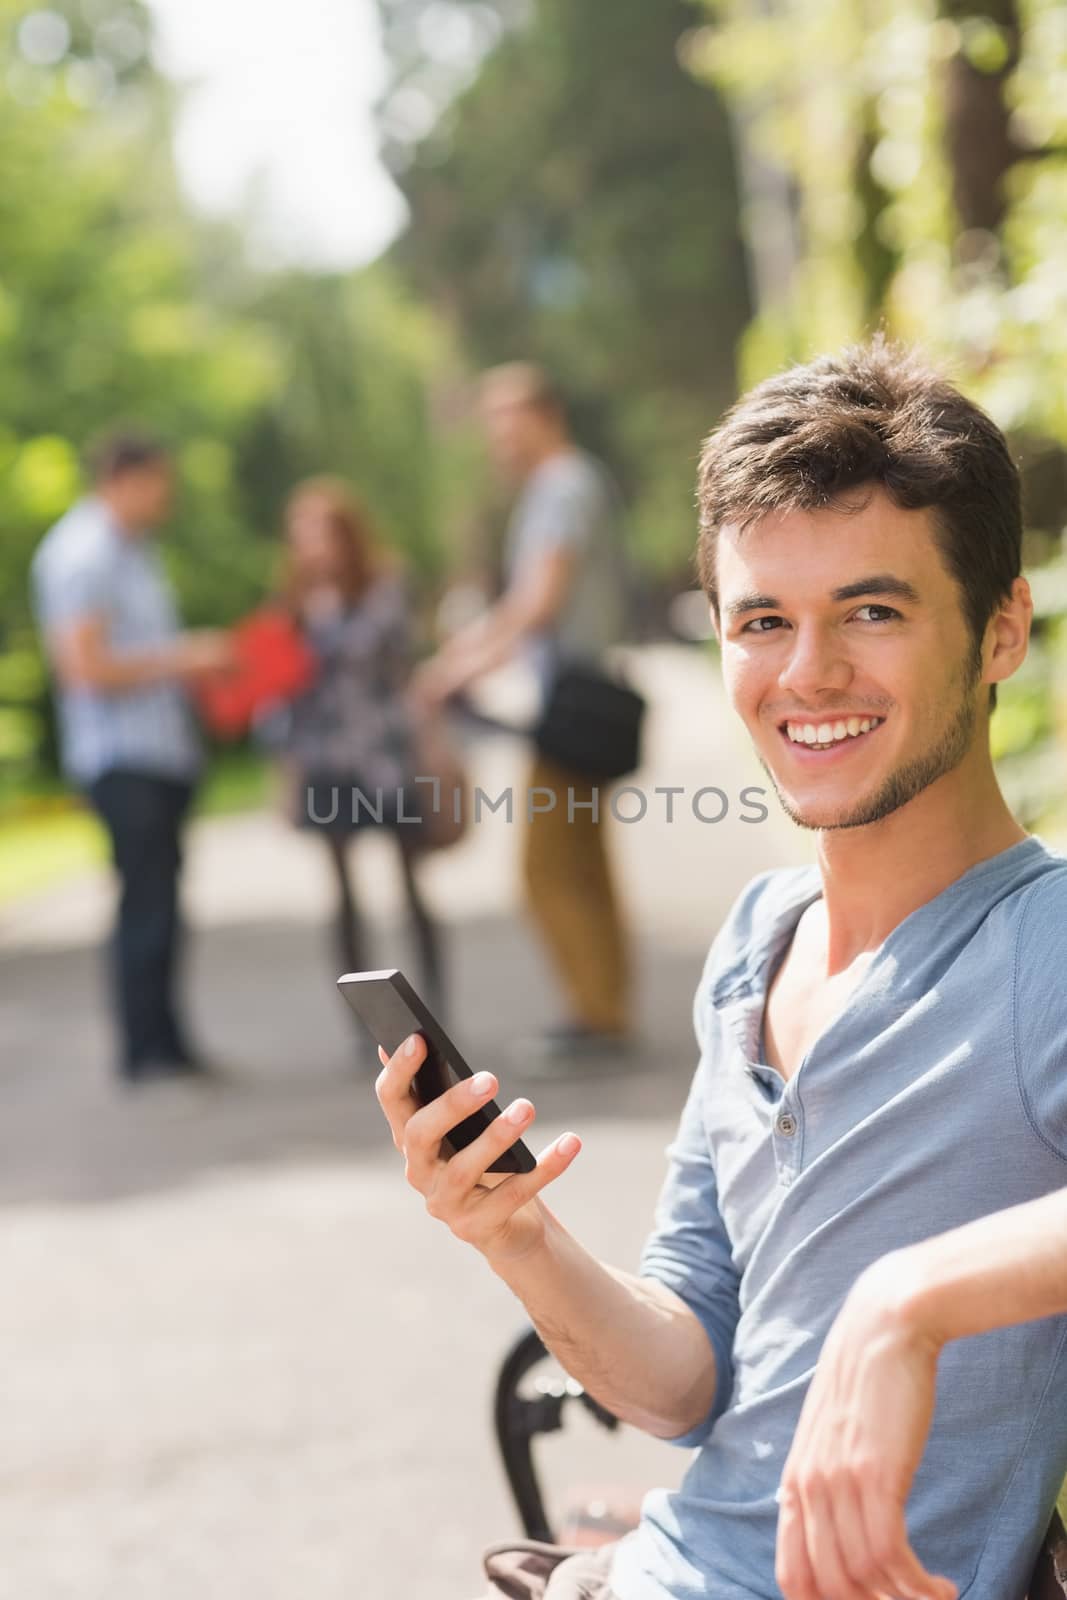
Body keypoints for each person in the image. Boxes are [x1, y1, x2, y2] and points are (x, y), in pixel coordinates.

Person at [375, 338, 1067, 1600]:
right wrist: (515, 1234)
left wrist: (908, 1299)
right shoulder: (755, 941)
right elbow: (683, 1383)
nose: (807, 674)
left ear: (1001, 628)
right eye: (761, 621)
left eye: (871, 609)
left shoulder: (1043, 946)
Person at [414, 363, 633, 1065]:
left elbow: (537, 601)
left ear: (546, 415)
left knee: (547, 869)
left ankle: (595, 1017)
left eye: (509, 422)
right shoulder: (565, 484)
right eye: (491, 425)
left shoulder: (561, 485)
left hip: (573, 699)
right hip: (575, 693)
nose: (498, 439)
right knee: (581, 862)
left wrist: (455, 666)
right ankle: (604, 1009)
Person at [30, 431, 234, 1085]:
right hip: (122, 758)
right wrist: (185, 656)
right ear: (125, 478)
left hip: (161, 753)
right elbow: (84, 667)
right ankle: (144, 1055)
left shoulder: (134, 552)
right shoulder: (81, 554)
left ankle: (169, 1044)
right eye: (158, 484)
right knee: (144, 906)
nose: (164, 498)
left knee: (165, 904)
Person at [275, 476, 443, 1031]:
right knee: (343, 896)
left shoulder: (383, 587)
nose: (312, 546)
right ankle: (366, 1024)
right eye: (302, 535)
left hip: (385, 755)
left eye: (321, 533)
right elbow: (283, 689)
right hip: (326, 761)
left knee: (410, 883)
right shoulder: (294, 601)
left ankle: (432, 1009)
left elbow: (383, 654)